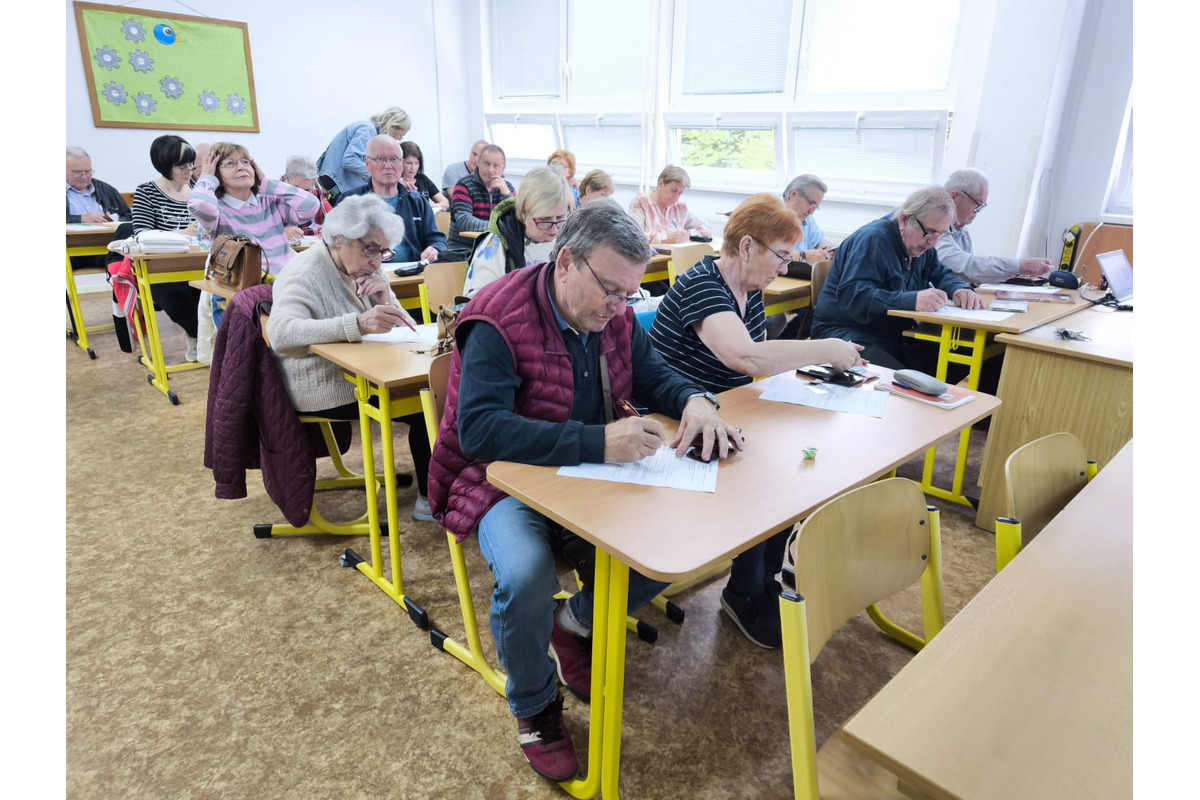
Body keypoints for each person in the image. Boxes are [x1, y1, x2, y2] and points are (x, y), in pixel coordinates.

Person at [428, 202, 745, 782]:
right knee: (524, 578)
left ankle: (574, 624)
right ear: (566, 261)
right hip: (501, 480)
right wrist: (597, 442)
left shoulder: (614, 313)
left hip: (588, 473)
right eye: (611, 292)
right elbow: (480, 431)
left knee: (679, 540)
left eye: (630, 295)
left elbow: (655, 377)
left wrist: (697, 400)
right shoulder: (495, 315)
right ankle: (534, 705)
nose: (620, 308)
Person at [649, 194, 863, 648]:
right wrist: (825, 349)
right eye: (781, 256)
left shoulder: (747, 291)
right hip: (674, 419)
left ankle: (761, 578)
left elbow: (758, 362)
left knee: (790, 458)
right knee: (769, 475)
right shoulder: (703, 284)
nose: (784, 268)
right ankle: (745, 592)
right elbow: (746, 357)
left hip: (720, 410)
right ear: (747, 246)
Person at [266, 195, 434, 522]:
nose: (378, 261)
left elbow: (405, 328)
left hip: (362, 370)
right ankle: (431, 499)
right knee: (423, 403)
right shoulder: (304, 271)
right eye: (371, 249)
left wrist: (386, 299)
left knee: (436, 393)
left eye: (384, 252)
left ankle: (438, 489)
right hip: (321, 382)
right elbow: (281, 333)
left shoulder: (364, 269)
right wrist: (356, 324)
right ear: (338, 239)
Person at [811, 186, 983, 372]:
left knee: (971, 362)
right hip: (847, 335)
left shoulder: (921, 245)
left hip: (893, 335)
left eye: (940, 234)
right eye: (930, 232)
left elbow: (940, 273)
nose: (933, 243)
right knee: (908, 382)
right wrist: (912, 300)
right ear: (904, 219)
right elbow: (855, 297)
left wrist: (958, 288)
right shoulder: (872, 240)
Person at [189, 142, 320, 333]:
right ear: (217, 175)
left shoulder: (269, 201)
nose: (241, 167)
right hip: (236, 295)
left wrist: (267, 183)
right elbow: (199, 205)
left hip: (284, 289)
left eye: (245, 162)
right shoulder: (218, 208)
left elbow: (311, 205)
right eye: (229, 164)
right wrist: (207, 178)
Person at [131, 135, 202, 361]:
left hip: (198, 261)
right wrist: (179, 234)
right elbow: (141, 234)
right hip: (161, 268)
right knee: (180, 302)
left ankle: (206, 339)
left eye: (191, 165)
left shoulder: (198, 189)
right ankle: (196, 336)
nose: (189, 171)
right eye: (182, 166)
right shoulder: (147, 192)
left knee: (212, 295)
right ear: (164, 165)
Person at [462, 167, 573, 298]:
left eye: (560, 218)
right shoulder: (495, 245)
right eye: (544, 220)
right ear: (524, 213)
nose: (554, 229)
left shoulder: (570, 241)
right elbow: (475, 303)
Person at [339, 136, 447, 267]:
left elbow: (437, 239)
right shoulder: (351, 201)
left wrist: (434, 248)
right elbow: (337, 244)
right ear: (367, 163)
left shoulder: (418, 202)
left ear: (401, 164)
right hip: (365, 274)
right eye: (380, 159)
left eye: (394, 159)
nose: (388, 166)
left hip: (411, 273)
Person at [937, 168, 1054, 285]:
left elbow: (969, 276)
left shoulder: (961, 228)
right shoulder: (935, 225)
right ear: (954, 197)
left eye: (981, 206)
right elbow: (966, 267)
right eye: (977, 203)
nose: (977, 211)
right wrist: (1019, 266)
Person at [316, 107, 411, 198]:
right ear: (393, 127)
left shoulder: (369, 132)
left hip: (335, 186)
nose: (398, 140)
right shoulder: (368, 130)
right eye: (401, 135)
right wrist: (378, 175)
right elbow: (350, 160)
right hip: (335, 188)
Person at [448, 144, 515, 250]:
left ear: (503, 168)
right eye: (486, 164)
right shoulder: (463, 185)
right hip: (465, 249)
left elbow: (516, 222)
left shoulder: (508, 188)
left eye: (496, 166)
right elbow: (465, 222)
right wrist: (500, 227)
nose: (490, 170)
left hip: (497, 249)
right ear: (478, 162)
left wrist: (507, 195)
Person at [628, 165, 711, 244]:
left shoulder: (680, 207)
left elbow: (706, 228)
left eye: (680, 193)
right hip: (650, 257)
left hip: (676, 256)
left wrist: (688, 234)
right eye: (674, 191)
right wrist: (664, 239)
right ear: (661, 183)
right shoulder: (641, 202)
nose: (676, 198)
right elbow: (633, 235)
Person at [66, 146, 130, 226]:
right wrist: (81, 219)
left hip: (107, 237)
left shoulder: (107, 190)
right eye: (78, 172)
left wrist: (115, 219)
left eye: (87, 171)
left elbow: (129, 217)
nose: (84, 176)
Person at [783, 174, 835, 264]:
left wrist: (829, 249)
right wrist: (804, 256)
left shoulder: (806, 217)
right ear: (793, 194)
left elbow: (819, 241)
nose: (811, 212)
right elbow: (773, 256)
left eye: (816, 207)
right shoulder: (769, 214)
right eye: (811, 203)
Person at [281, 155, 332, 237]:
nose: (302, 196)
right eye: (296, 189)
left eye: (307, 190)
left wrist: (323, 234)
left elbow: (337, 225)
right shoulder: (271, 198)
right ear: (285, 179)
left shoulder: (317, 195)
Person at [399, 141, 450, 212]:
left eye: (416, 163)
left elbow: (445, 203)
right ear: (400, 162)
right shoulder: (395, 182)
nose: (413, 168)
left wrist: (432, 206)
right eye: (409, 163)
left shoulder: (423, 179)